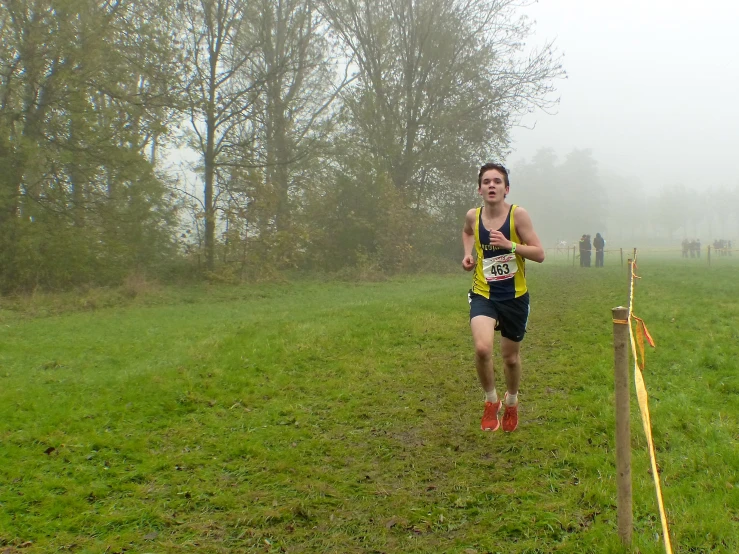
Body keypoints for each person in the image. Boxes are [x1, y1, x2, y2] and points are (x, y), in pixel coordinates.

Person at [462, 163, 545, 432]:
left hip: (514, 297)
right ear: (479, 189)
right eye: (486, 182)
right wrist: (468, 255)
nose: (491, 185)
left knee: (510, 358)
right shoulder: (473, 217)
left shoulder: (518, 216)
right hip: (483, 293)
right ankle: (490, 401)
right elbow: (466, 232)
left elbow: (539, 254)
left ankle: (511, 401)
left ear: (506, 189)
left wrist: (511, 245)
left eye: (497, 181)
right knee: (483, 348)